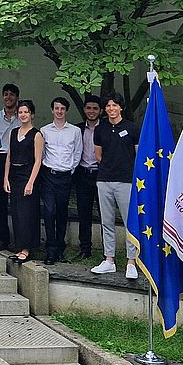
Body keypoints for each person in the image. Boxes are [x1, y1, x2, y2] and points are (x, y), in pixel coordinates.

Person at [92, 93, 139, 279]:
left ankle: (131, 262)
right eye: (108, 106)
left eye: (115, 105)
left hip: (126, 181)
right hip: (104, 180)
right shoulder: (100, 129)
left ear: (121, 107)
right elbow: (98, 155)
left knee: (129, 222)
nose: (111, 109)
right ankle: (109, 260)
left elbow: (138, 155)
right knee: (107, 221)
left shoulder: (132, 128)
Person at [39, 96, 83, 265]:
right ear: (52, 110)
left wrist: (70, 169)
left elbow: (77, 153)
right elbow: (41, 153)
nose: (59, 111)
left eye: (62, 109)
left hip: (65, 176)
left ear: (66, 111)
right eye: (56, 108)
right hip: (48, 175)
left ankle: (60, 250)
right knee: (49, 212)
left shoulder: (74, 131)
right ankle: (50, 250)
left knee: (62, 213)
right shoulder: (44, 130)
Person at [2, 99, 44, 262]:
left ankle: (27, 248)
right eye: (20, 112)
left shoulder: (36, 134)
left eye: (26, 112)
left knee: (27, 213)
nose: (23, 115)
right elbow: (9, 157)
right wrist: (6, 178)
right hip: (14, 175)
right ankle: (19, 246)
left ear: (32, 114)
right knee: (17, 213)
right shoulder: (13, 133)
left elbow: (38, 160)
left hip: (28, 174)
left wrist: (31, 182)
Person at [0, 84, 22, 246]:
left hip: (17, 160)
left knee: (18, 200)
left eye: (11, 95)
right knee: (0, 200)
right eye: (5, 94)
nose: (8, 97)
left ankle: (20, 240)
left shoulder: (22, 116)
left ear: (17, 97)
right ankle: (3, 239)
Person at [75, 95, 103, 261]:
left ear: (100, 111)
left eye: (95, 108)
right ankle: (85, 248)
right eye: (88, 108)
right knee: (83, 214)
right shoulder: (78, 129)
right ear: (84, 109)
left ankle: (107, 250)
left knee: (104, 214)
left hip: (101, 175)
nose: (91, 111)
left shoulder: (106, 128)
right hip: (83, 175)